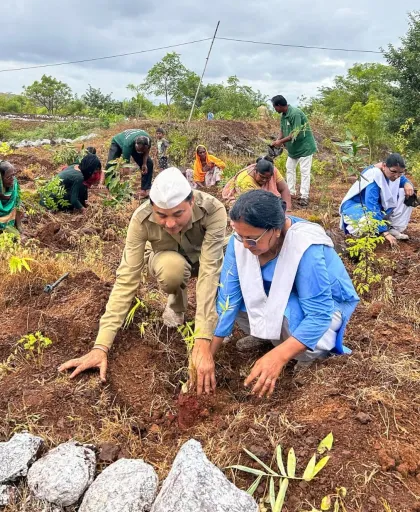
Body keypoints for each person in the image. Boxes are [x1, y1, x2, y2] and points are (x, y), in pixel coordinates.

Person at [59, 167, 228, 395]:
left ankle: (228, 316)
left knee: (233, 257)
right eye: (162, 215)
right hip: (167, 259)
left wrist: (202, 339)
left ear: (192, 200)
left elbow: (209, 273)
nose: (169, 223)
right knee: (172, 271)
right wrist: (101, 346)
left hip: (203, 256)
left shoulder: (213, 210)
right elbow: (126, 279)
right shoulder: (141, 219)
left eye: (178, 214)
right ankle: (176, 303)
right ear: (152, 207)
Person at [210, 190, 359, 398]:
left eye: (251, 239)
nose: (244, 245)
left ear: (276, 230)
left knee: (284, 313)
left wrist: (278, 357)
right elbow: (228, 296)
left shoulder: (306, 246)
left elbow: (319, 314)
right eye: (239, 235)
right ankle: (267, 337)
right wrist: (209, 354)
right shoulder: (243, 241)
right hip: (278, 297)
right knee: (243, 300)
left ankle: (308, 355)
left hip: (323, 308)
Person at [340, 153, 416, 244]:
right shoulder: (374, 175)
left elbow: (402, 179)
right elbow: (371, 205)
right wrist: (385, 232)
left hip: (378, 209)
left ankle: (393, 228)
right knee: (365, 224)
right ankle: (379, 231)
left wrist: (408, 184)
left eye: (400, 173)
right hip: (358, 207)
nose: (396, 176)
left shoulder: (393, 172)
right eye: (394, 172)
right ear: (384, 166)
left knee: (408, 193)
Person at [270, 95, 317, 207]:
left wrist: (281, 141)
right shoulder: (283, 115)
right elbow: (282, 130)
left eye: (274, 107)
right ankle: (290, 192)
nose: (275, 109)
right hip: (293, 149)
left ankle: (304, 196)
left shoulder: (295, 114)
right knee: (289, 168)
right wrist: (278, 140)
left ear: (279, 105)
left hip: (304, 147)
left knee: (304, 171)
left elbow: (295, 133)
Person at [222, 156, 292, 210]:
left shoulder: (272, 170)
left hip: (264, 200)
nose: (264, 180)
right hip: (247, 202)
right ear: (255, 171)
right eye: (262, 177)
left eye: (268, 178)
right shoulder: (245, 181)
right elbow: (255, 204)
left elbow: (284, 188)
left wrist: (287, 211)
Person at [105, 129, 153, 199]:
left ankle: (144, 190)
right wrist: (126, 187)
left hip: (136, 145)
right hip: (117, 142)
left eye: (141, 151)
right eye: (138, 150)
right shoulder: (128, 144)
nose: (139, 152)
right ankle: (111, 189)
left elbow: (146, 152)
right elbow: (126, 167)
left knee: (149, 163)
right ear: (135, 145)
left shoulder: (148, 141)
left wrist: (144, 163)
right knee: (110, 165)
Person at [0, 161, 22, 234]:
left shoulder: (14, 183)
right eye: (9, 177)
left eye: (14, 175)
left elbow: (17, 204)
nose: (13, 179)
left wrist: (19, 227)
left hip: (9, 220)